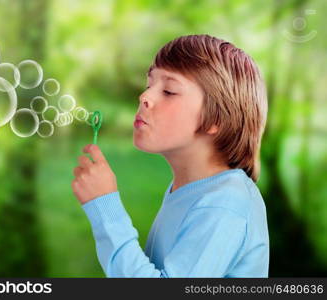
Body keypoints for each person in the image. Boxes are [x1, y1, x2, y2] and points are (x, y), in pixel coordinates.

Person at [71, 34, 269, 277]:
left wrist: (105, 207)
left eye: (169, 90)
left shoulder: (225, 202)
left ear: (216, 118)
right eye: (149, 85)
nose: (145, 97)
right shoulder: (189, 189)